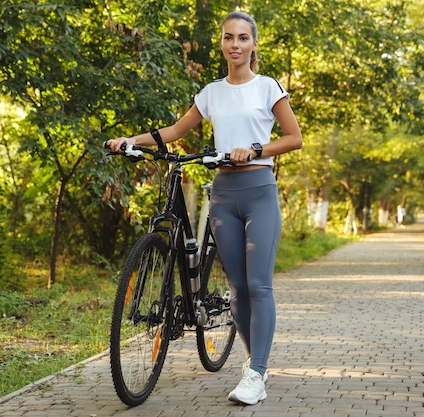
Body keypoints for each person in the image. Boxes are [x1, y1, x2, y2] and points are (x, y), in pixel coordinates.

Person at [107, 11, 302, 405]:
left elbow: (294, 138)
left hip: (259, 191)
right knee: (236, 289)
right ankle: (253, 365)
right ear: (222, 43)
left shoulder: (268, 87)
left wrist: (257, 149)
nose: (235, 45)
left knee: (258, 285)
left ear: (253, 45)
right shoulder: (211, 92)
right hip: (223, 196)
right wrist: (132, 140)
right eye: (229, 38)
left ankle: (257, 372)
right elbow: (175, 132)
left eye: (243, 38)